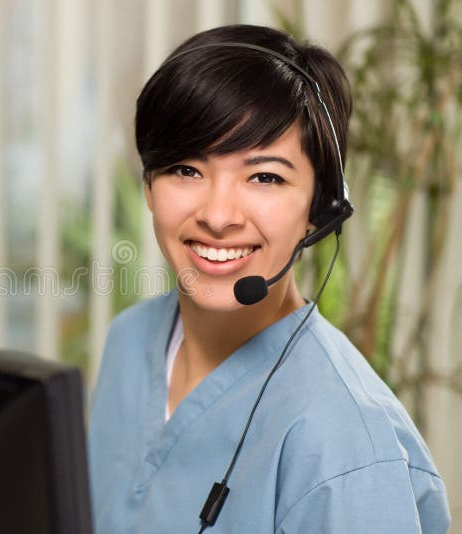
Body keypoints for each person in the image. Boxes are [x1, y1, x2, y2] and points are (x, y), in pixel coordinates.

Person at [87, 24, 451, 533]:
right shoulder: (130, 340)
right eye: (185, 170)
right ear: (148, 185)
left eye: (265, 176)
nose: (217, 215)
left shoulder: (346, 448)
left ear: (319, 210)